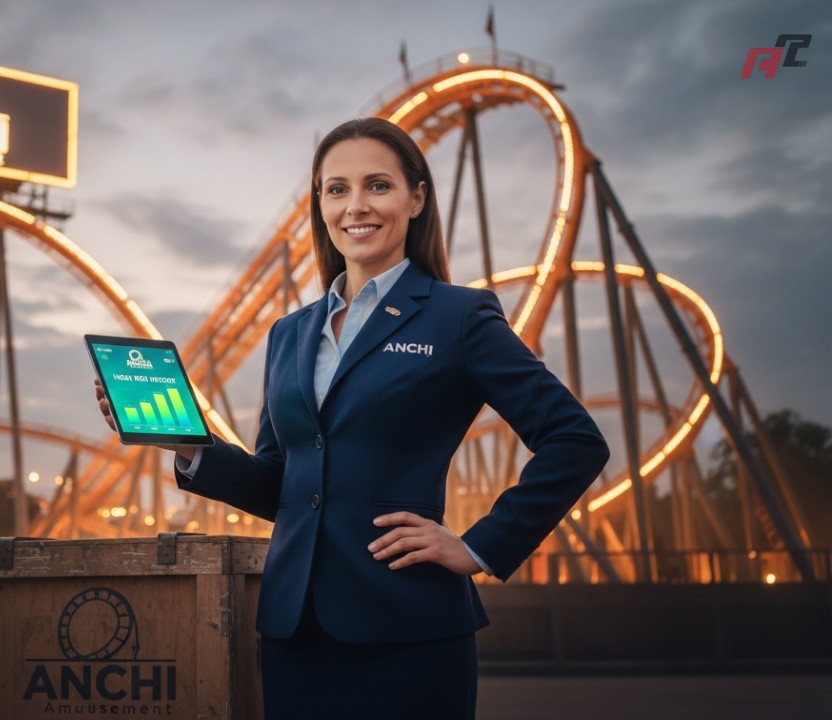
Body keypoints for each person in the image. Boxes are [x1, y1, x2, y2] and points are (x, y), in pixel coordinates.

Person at [94, 117, 609, 718]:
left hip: (407, 626)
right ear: (320, 203)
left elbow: (575, 439)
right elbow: (282, 485)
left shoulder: (458, 317)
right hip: (296, 630)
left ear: (416, 198)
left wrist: (479, 547)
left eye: (377, 186)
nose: (355, 206)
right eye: (336, 189)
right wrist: (188, 444)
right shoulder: (290, 333)